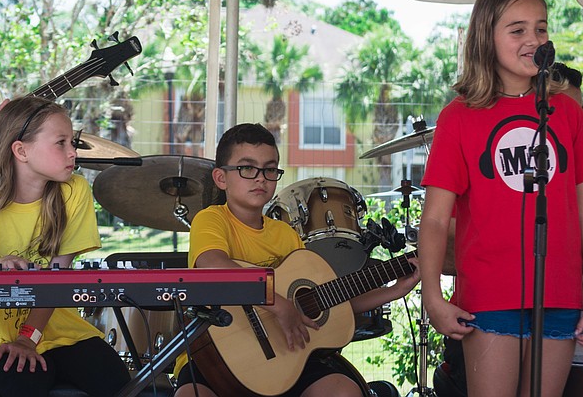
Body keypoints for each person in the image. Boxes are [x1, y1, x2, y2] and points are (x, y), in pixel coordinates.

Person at [419, 0, 583, 397]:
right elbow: (435, 218)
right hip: (489, 296)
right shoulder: (459, 116)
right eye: (518, 30)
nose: (534, 40)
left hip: (558, 295)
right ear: (486, 39)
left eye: (541, 29)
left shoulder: (567, 112)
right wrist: (433, 296)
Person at [173, 122, 420, 397]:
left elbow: (328, 301)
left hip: (287, 357)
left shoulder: (285, 234)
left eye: (269, 169)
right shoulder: (212, 219)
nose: (260, 178)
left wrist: (394, 290)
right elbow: (213, 264)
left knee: (343, 390)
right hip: (215, 358)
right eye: (247, 168)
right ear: (221, 178)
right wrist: (278, 304)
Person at [0, 96, 130, 397]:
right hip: (2, 341)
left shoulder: (74, 190)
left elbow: (58, 278)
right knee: (24, 387)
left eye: (73, 142)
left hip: (67, 334)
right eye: (61, 143)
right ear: (21, 150)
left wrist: (29, 338)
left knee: (119, 384)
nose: (73, 152)